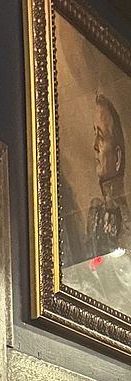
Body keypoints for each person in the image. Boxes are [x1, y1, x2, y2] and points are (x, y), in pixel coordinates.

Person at [86, 94, 130, 258]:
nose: (94, 146)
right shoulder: (95, 214)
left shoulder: (126, 225)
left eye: (101, 137)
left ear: (117, 158)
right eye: (94, 135)